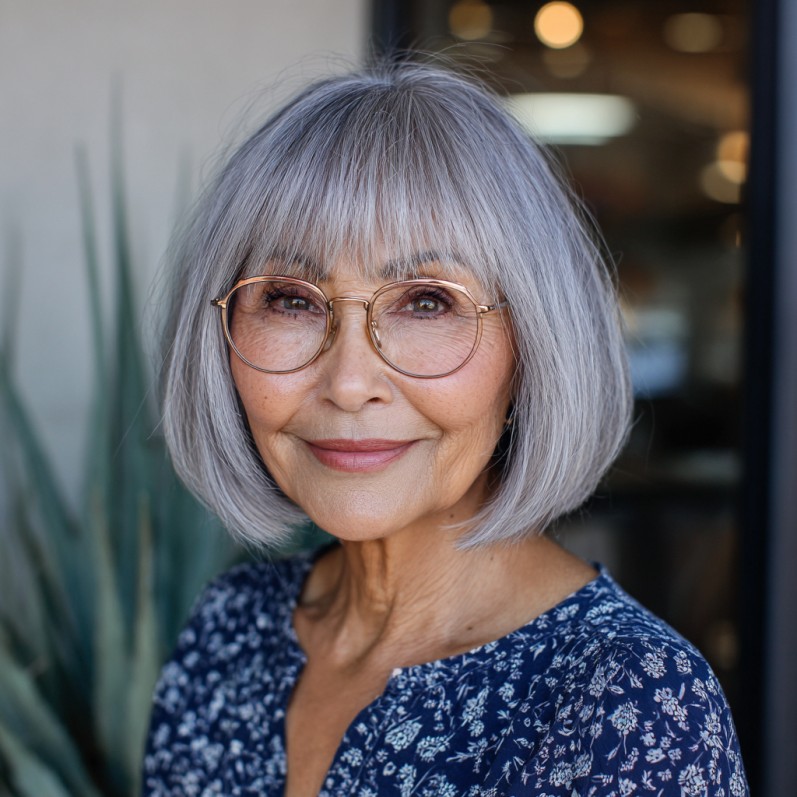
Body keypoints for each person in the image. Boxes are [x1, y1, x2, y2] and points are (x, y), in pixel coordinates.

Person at [142, 60, 748, 797]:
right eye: (291, 299)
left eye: (426, 300)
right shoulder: (232, 630)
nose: (349, 382)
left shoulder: (625, 702)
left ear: (532, 346)